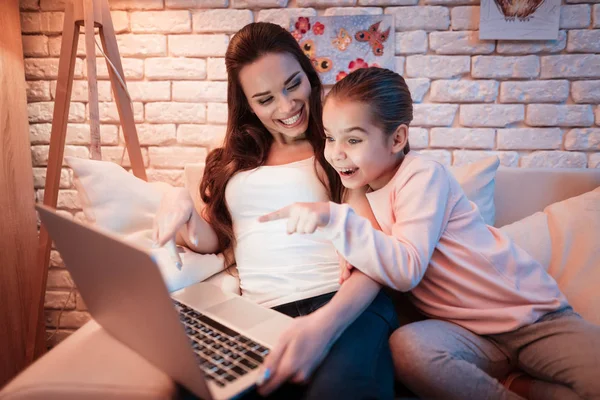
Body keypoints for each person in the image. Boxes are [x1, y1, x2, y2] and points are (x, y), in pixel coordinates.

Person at [259, 67, 600, 400]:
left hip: (531, 317)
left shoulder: (421, 176)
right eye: (330, 137)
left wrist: (336, 221)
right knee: (407, 348)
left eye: (353, 139)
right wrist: (347, 249)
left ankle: (523, 384)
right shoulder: (360, 193)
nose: (336, 152)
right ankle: (515, 387)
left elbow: (406, 268)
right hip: (465, 333)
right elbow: (371, 258)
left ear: (397, 138)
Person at [153, 23, 398, 398]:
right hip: (261, 314)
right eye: (265, 99)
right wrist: (178, 201)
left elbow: (375, 251)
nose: (287, 107)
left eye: (292, 84)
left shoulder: (338, 144)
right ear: (247, 104)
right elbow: (213, 238)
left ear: (308, 74)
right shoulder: (232, 162)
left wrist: (322, 327)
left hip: (342, 304)